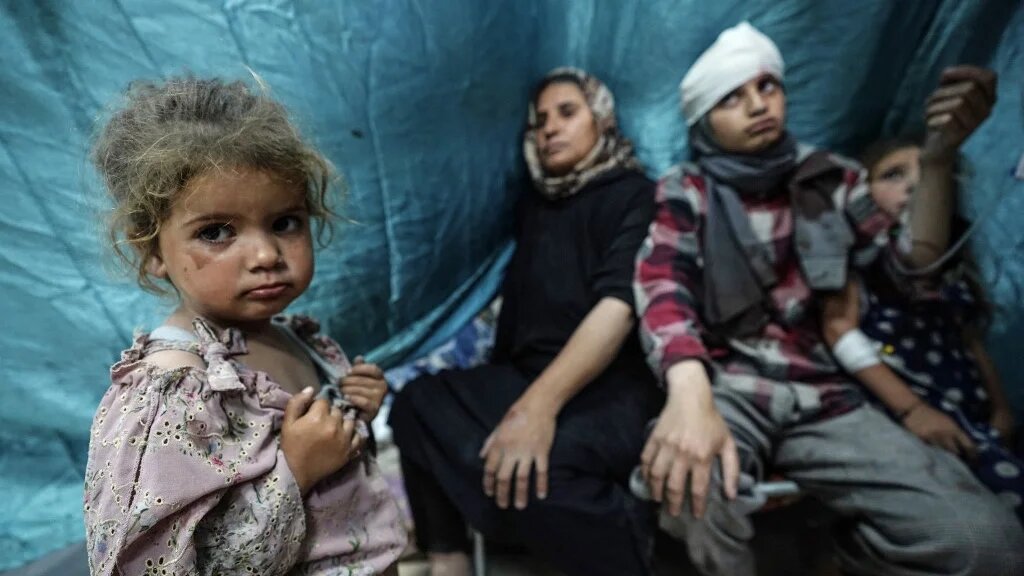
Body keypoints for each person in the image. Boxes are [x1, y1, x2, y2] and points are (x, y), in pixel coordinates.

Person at [633, 22, 1024, 575]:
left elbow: (914, 272)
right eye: (732, 97)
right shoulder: (686, 190)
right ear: (704, 121)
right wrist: (688, 391)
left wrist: (938, 157)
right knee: (685, 489)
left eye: (767, 86)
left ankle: (843, 558)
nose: (756, 105)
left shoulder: (832, 179)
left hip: (826, 397)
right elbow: (663, 289)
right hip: (727, 387)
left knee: (989, 543)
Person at [83, 76, 407, 575]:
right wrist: (294, 472)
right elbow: (172, 566)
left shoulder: (295, 339)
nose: (265, 255)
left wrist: (351, 411)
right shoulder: (173, 393)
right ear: (152, 252)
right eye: (216, 232)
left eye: (285, 222)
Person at [389, 68, 662, 576]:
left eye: (567, 113)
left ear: (601, 119)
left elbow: (618, 309)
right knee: (414, 406)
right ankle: (450, 560)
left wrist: (534, 412)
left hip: (613, 385)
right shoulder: (539, 204)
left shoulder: (634, 195)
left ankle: (631, 549)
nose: (550, 129)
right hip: (526, 373)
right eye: (539, 121)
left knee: (542, 473)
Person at [822, 132, 1023, 523]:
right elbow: (839, 329)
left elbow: (970, 340)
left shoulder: (951, 274)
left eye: (928, 176)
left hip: (975, 420)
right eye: (893, 175)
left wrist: (1001, 409)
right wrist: (914, 411)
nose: (913, 185)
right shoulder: (859, 263)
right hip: (907, 419)